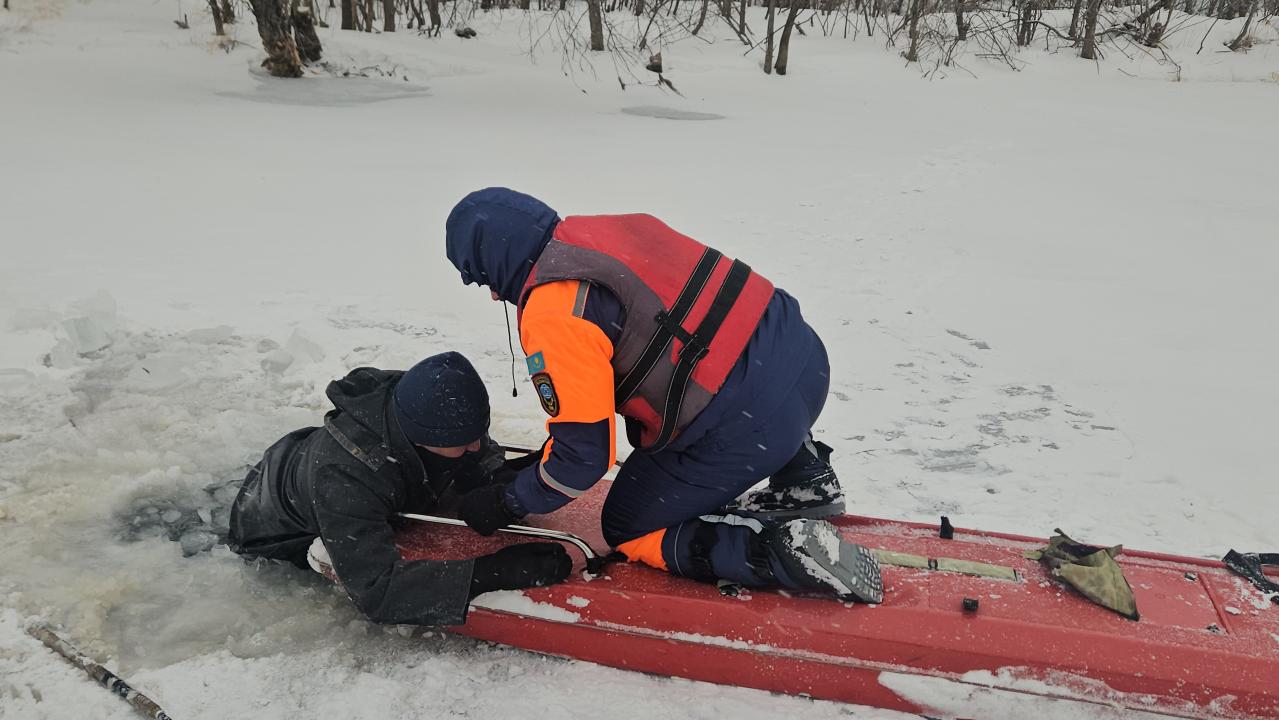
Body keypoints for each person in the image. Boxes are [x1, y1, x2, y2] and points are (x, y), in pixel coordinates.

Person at [443, 188, 882, 603]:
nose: (498, 293)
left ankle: (779, 552)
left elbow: (583, 462)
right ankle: (804, 479)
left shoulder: (555, 313)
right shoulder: (611, 229)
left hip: (750, 420)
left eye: (483, 279)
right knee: (732, 359)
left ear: (496, 259)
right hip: (803, 360)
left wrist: (509, 501)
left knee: (626, 524)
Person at [227, 351, 573, 626]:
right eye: (460, 442)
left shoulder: (428, 408)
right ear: (423, 437)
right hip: (270, 526)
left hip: (298, 461)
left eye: (477, 435)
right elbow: (377, 590)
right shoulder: (345, 475)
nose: (474, 446)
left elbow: (474, 446)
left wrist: (495, 475)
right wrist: (493, 572)